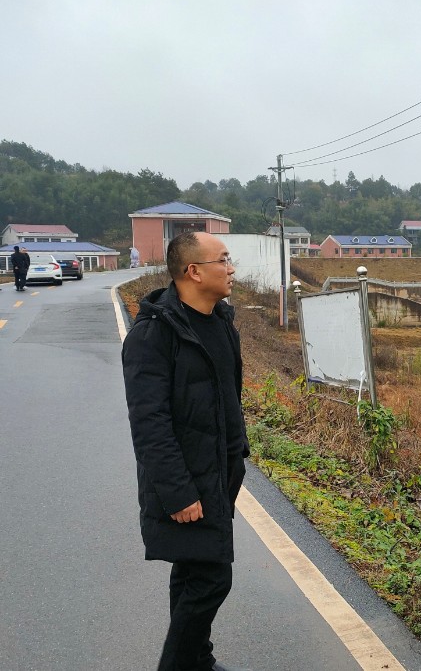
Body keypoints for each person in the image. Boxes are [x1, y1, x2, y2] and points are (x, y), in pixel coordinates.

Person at [121, 231, 250, 671]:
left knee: (193, 570)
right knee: (212, 579)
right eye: (223, 260)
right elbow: (149, 423)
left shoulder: (221, 321)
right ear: (193, 271)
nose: (231, 269)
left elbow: (226, 399)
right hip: (187, 481)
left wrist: (236, 456)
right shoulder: (153, 336)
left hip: (221, 473)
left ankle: (198, 659)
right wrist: (177, 492)